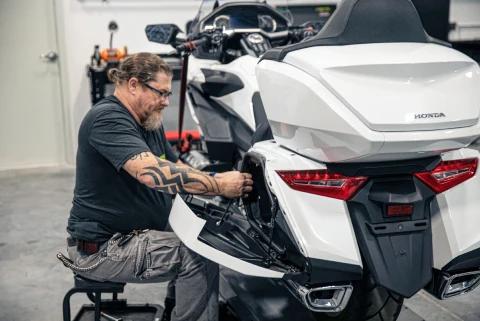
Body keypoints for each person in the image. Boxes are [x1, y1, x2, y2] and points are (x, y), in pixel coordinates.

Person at [65, 52, 253, 321]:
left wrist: (217, 179)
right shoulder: (107, 119)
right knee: (198, 254)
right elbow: (152, 174)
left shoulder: (148, 119)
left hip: (134, 234)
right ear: (133, 85)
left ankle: (175, 311)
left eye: (168, 94)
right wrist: (218, 186)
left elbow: (174, 166)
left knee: (204, 235)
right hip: (103, 249)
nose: (166, 102)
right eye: (161, 93)